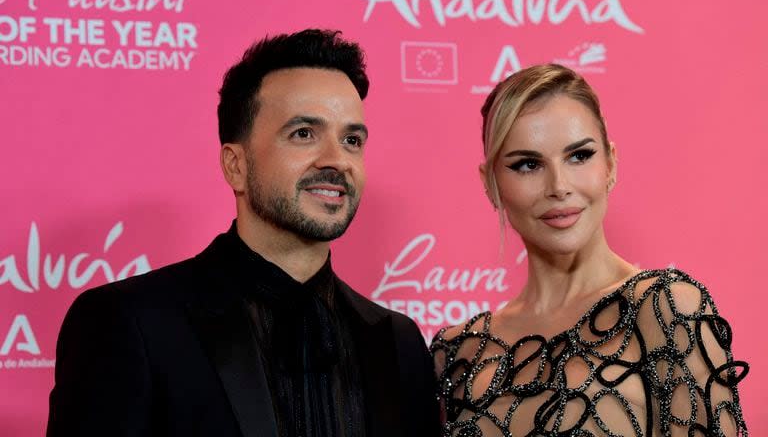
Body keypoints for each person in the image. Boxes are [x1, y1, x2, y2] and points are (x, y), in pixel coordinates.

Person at [47, 29, 439, 437]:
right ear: (236, 165)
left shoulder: (398, 343)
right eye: (303, 134)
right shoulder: (131, 323)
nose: (337, 160)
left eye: (352, 140)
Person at [430, 64, 748, 436]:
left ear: (610, 163)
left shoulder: (665, 309)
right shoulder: (457, 352)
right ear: (491, 183)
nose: (559, 186)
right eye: (528, 164)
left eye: (579, 156)